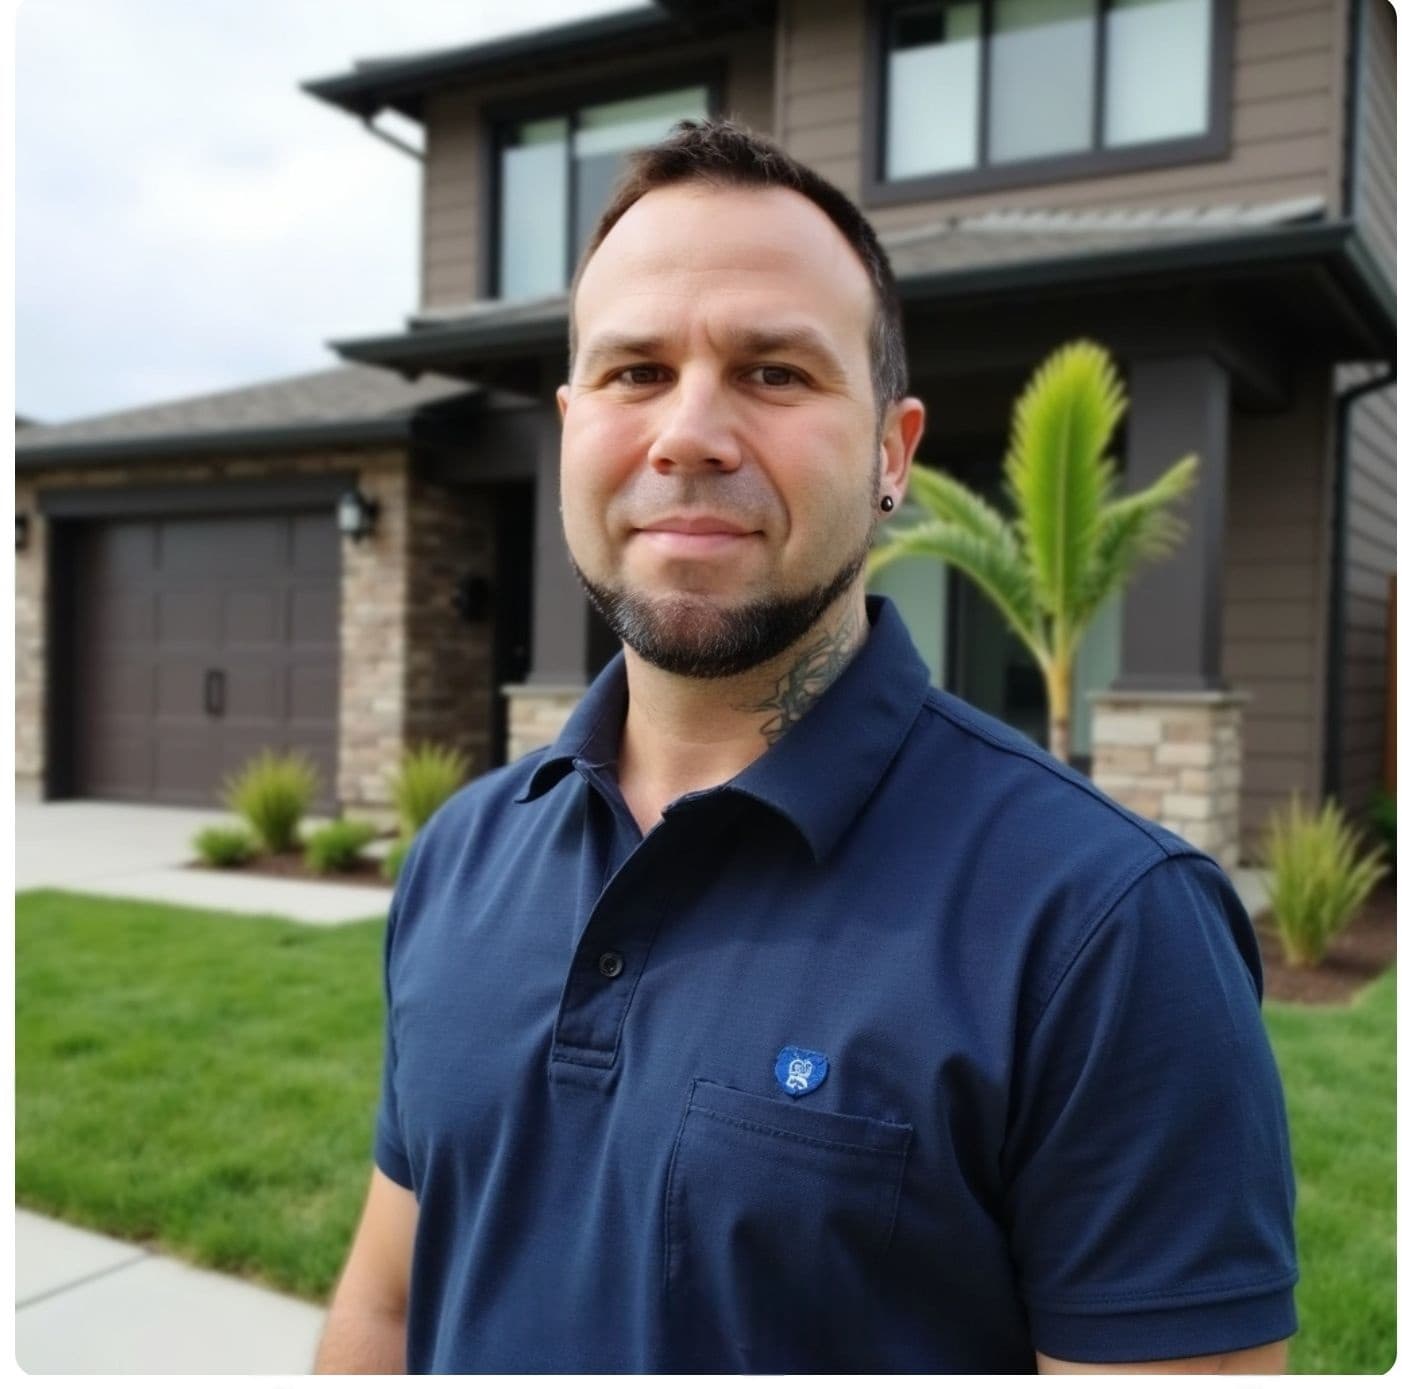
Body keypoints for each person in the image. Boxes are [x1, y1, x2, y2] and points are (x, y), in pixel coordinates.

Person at [314, 119, 1297, 1374]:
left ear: (892, 452)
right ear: (570, 428)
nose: (690, 433)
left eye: (774, 372)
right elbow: (388, 1309)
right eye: (633, 374)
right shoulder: (463, 852)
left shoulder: (1102, 930)